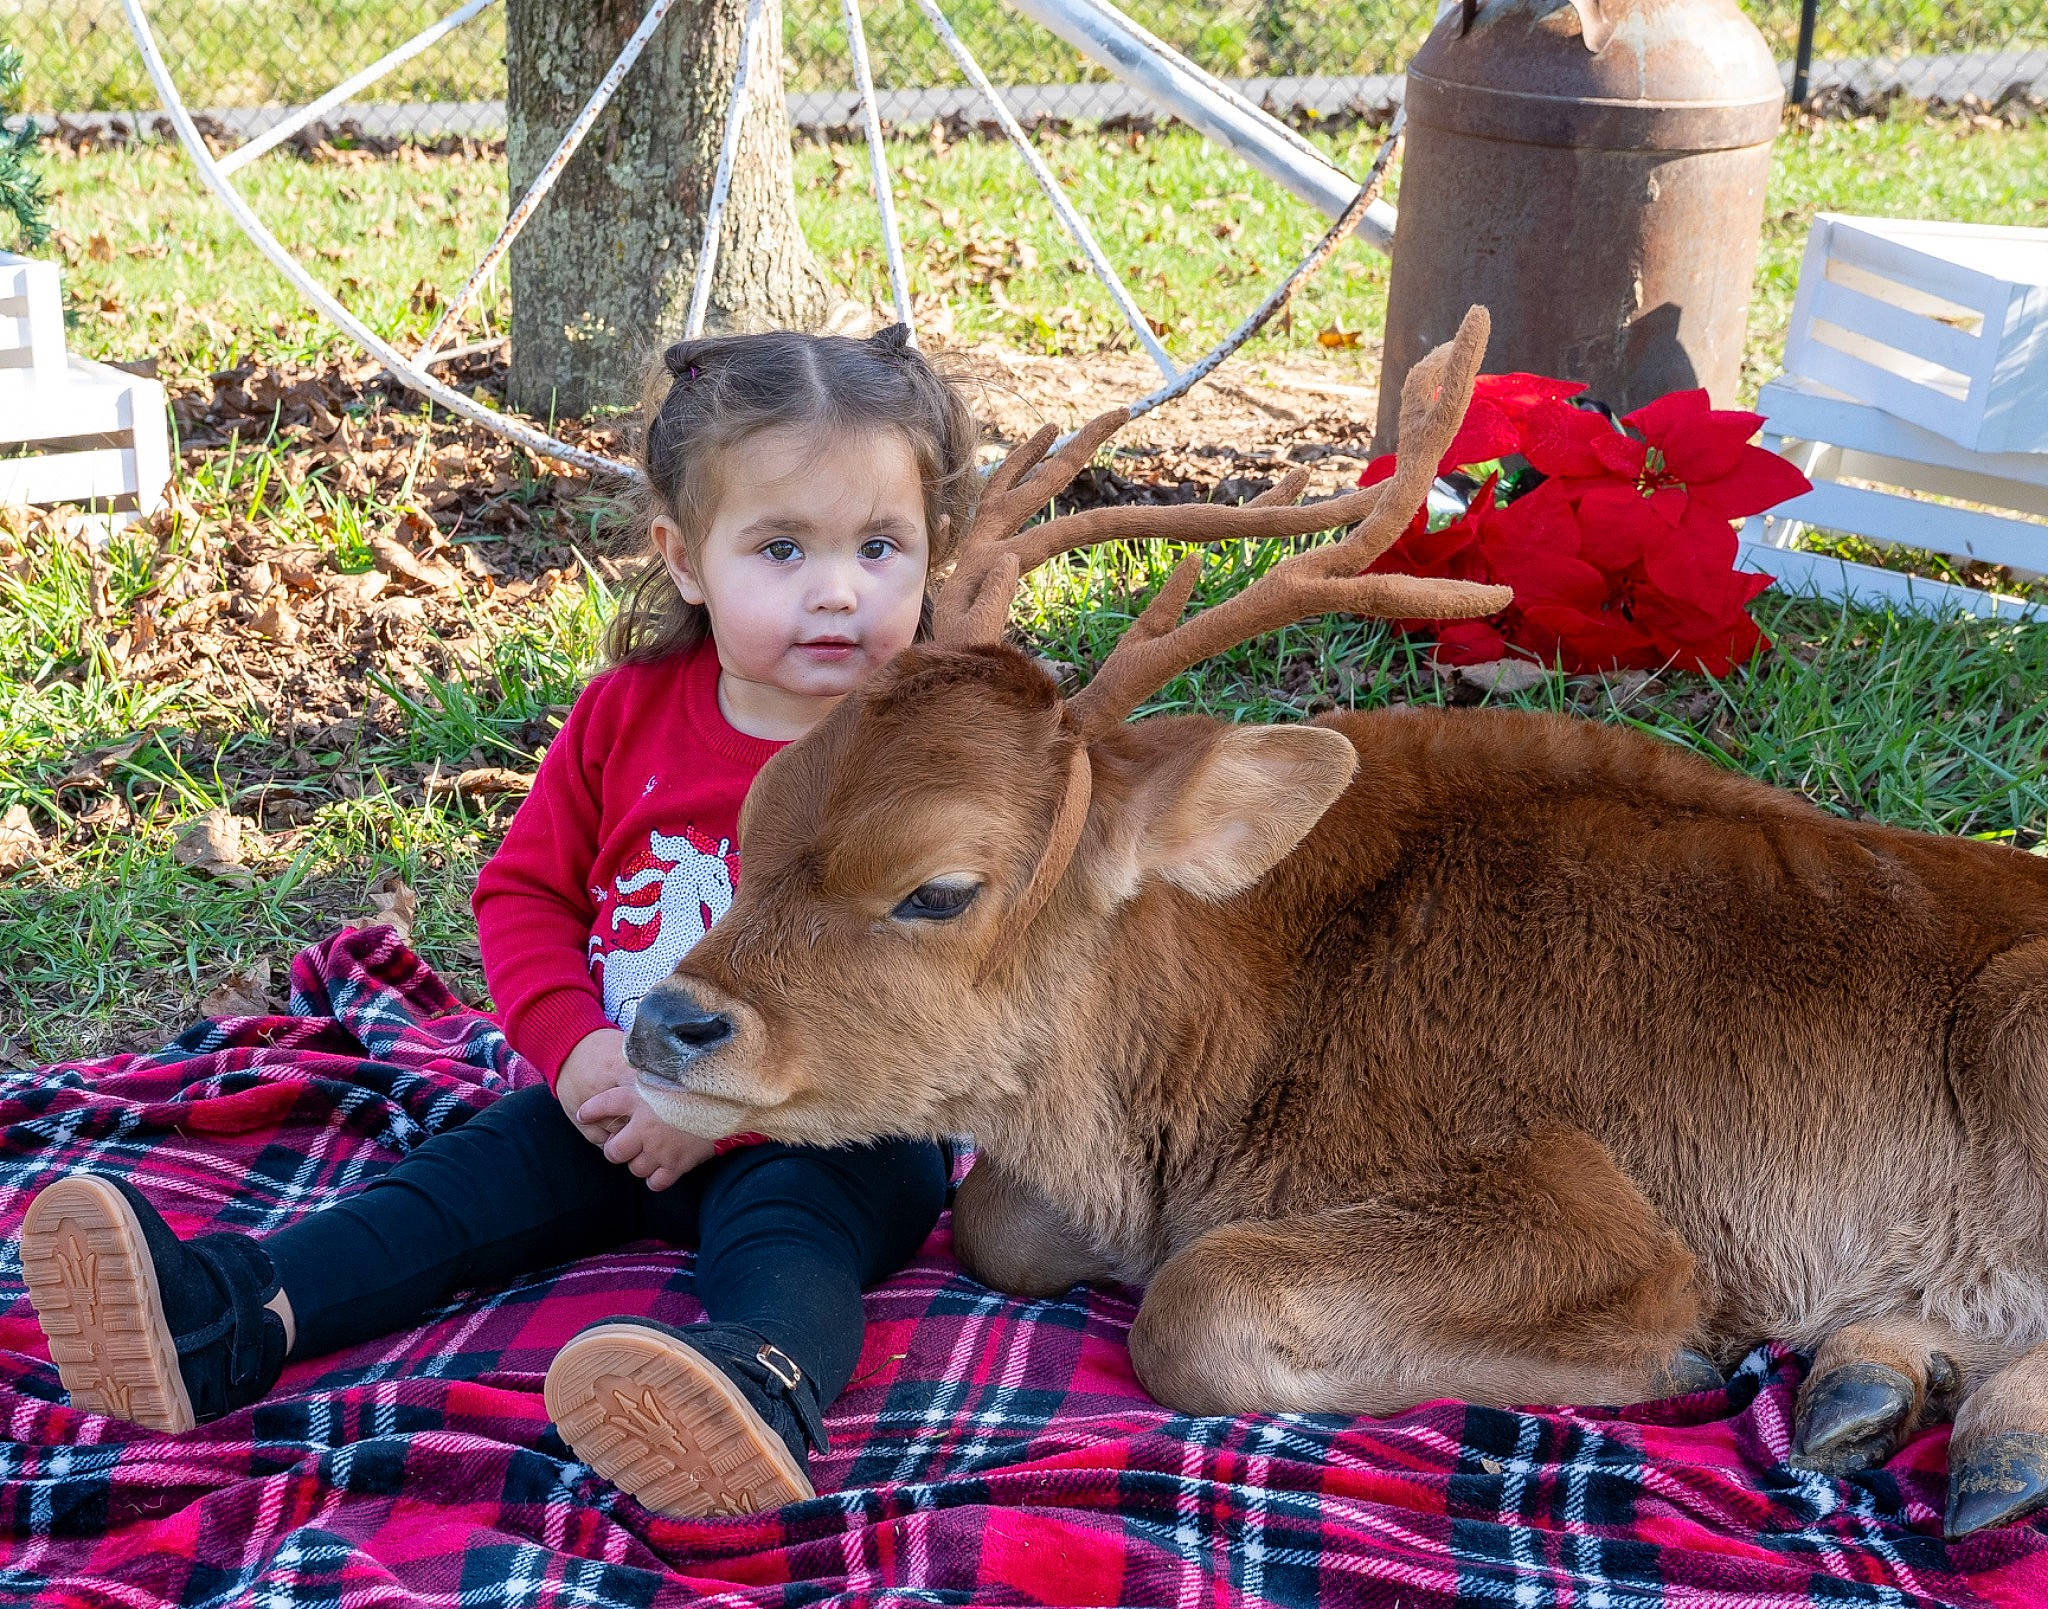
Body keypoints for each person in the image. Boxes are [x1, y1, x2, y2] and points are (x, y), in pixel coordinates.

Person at [18, 324, 975, 1519]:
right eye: (781, 548)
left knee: (793, 1242)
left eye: (880, 547)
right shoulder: (629, 715)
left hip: (832, 1126)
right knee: (454, 1187)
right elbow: (524, 896)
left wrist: (723, 1119)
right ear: (684, 560)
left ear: (931, 552)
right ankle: (227, 1314)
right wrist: (578, 1056)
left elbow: (930, 985)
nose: (838, 589)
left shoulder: (921, 754)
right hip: (614, 1101)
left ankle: (753, 1389)